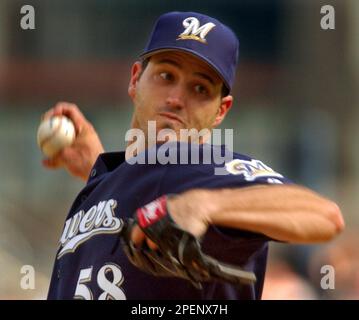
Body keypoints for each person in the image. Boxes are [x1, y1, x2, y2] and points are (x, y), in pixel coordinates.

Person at [42, 11, 344, 300]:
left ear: (220, 111)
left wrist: (204, 205)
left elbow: (323, 215)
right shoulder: (115, 182)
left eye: (200, 88)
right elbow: (141, 194)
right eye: (165, 75)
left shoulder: (200, 168)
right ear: (135, 79)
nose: (176, 99)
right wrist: (99, 170)